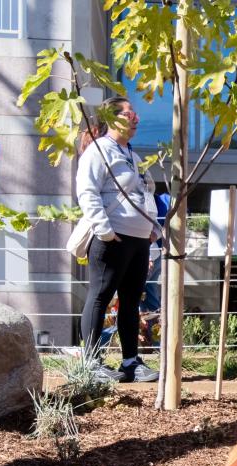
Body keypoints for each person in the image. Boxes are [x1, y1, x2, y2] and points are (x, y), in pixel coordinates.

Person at [76, 96, 161, 383]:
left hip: (138, 240)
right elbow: (87, 192)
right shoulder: (100, 151)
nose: (135, 118)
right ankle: (91, 363)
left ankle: (130, 363)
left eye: (135, 114)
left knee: (129, 301)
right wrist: (105, 231)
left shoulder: (133, 156)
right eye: (128, 113)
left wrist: (153, 231)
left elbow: (145, 196)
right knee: (100, 296)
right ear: (112, 118)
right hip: (113, 238)